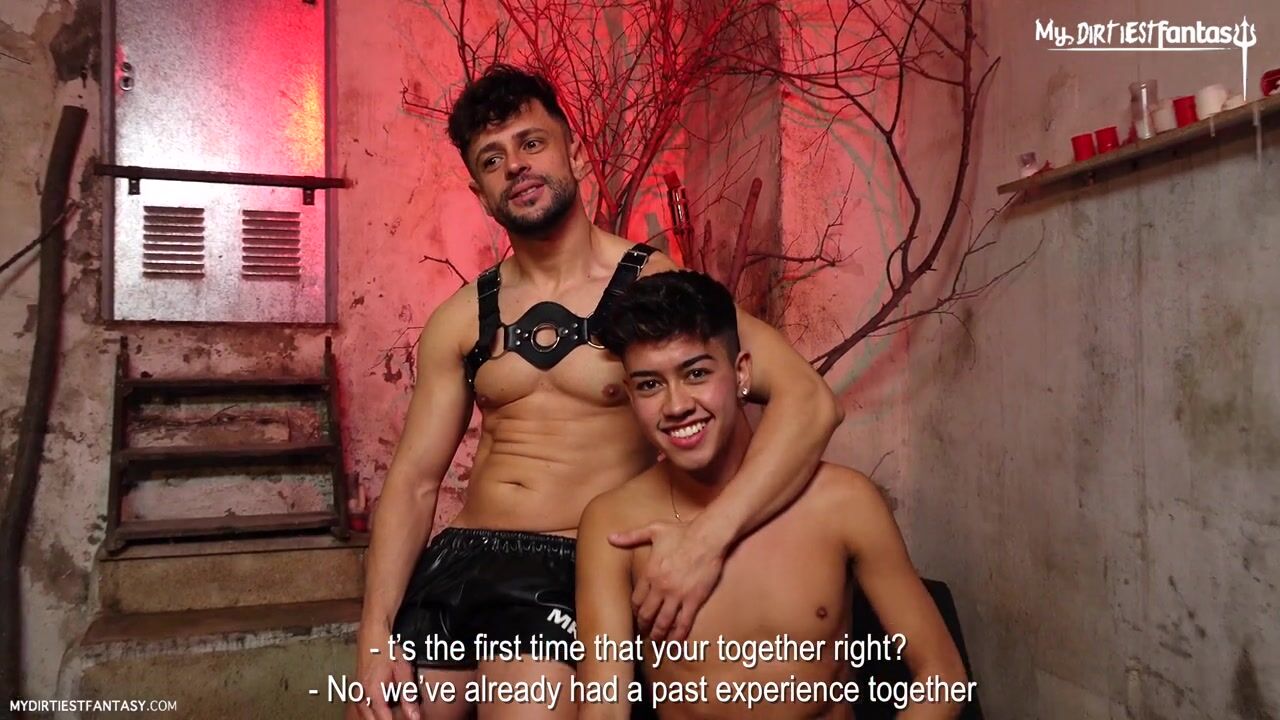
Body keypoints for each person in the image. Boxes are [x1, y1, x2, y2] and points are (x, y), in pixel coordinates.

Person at [353, 65, 843, 720]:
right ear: (480, 194)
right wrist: (374, 632)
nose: (515, 166)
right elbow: (414, 482)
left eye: (532, 143)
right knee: (376, 712)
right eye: (492, 160)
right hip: (460, 560)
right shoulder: (461, 317)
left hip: (568, 563)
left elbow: (809, 401)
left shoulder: (650, 284)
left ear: (574, 152)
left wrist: (707, 540)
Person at [577, 271, 969, 719]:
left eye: (697, 373)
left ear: (741, 373)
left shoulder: (843, 502)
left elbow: (942, 676)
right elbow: (604, 708)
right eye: (649, 384)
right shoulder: (614, 524)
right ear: (630, 395)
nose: (677, 405)